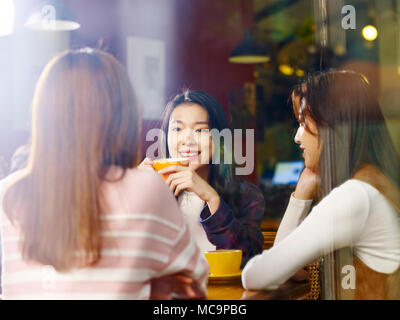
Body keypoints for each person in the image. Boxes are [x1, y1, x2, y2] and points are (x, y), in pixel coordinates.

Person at [0, 48, 208, 300]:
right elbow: (193, 289)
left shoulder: (6, 193)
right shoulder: (147, 187)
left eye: (200, 130)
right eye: (178, 128)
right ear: (126, 117)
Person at [242, 70, 400, 299]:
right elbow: (291, 270)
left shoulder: (355, 196)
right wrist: (305, 189)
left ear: (332, 125)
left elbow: (256, 275)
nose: (297, 137)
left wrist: (300, 195)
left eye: (303, 123)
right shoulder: (377, 182)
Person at [139, 90, 264, 266]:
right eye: (177, 129)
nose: (187, 140)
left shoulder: (247, 196)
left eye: (200, 130)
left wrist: (211, 198)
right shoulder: (153, 190)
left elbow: (248, 262)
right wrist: (130, 195)